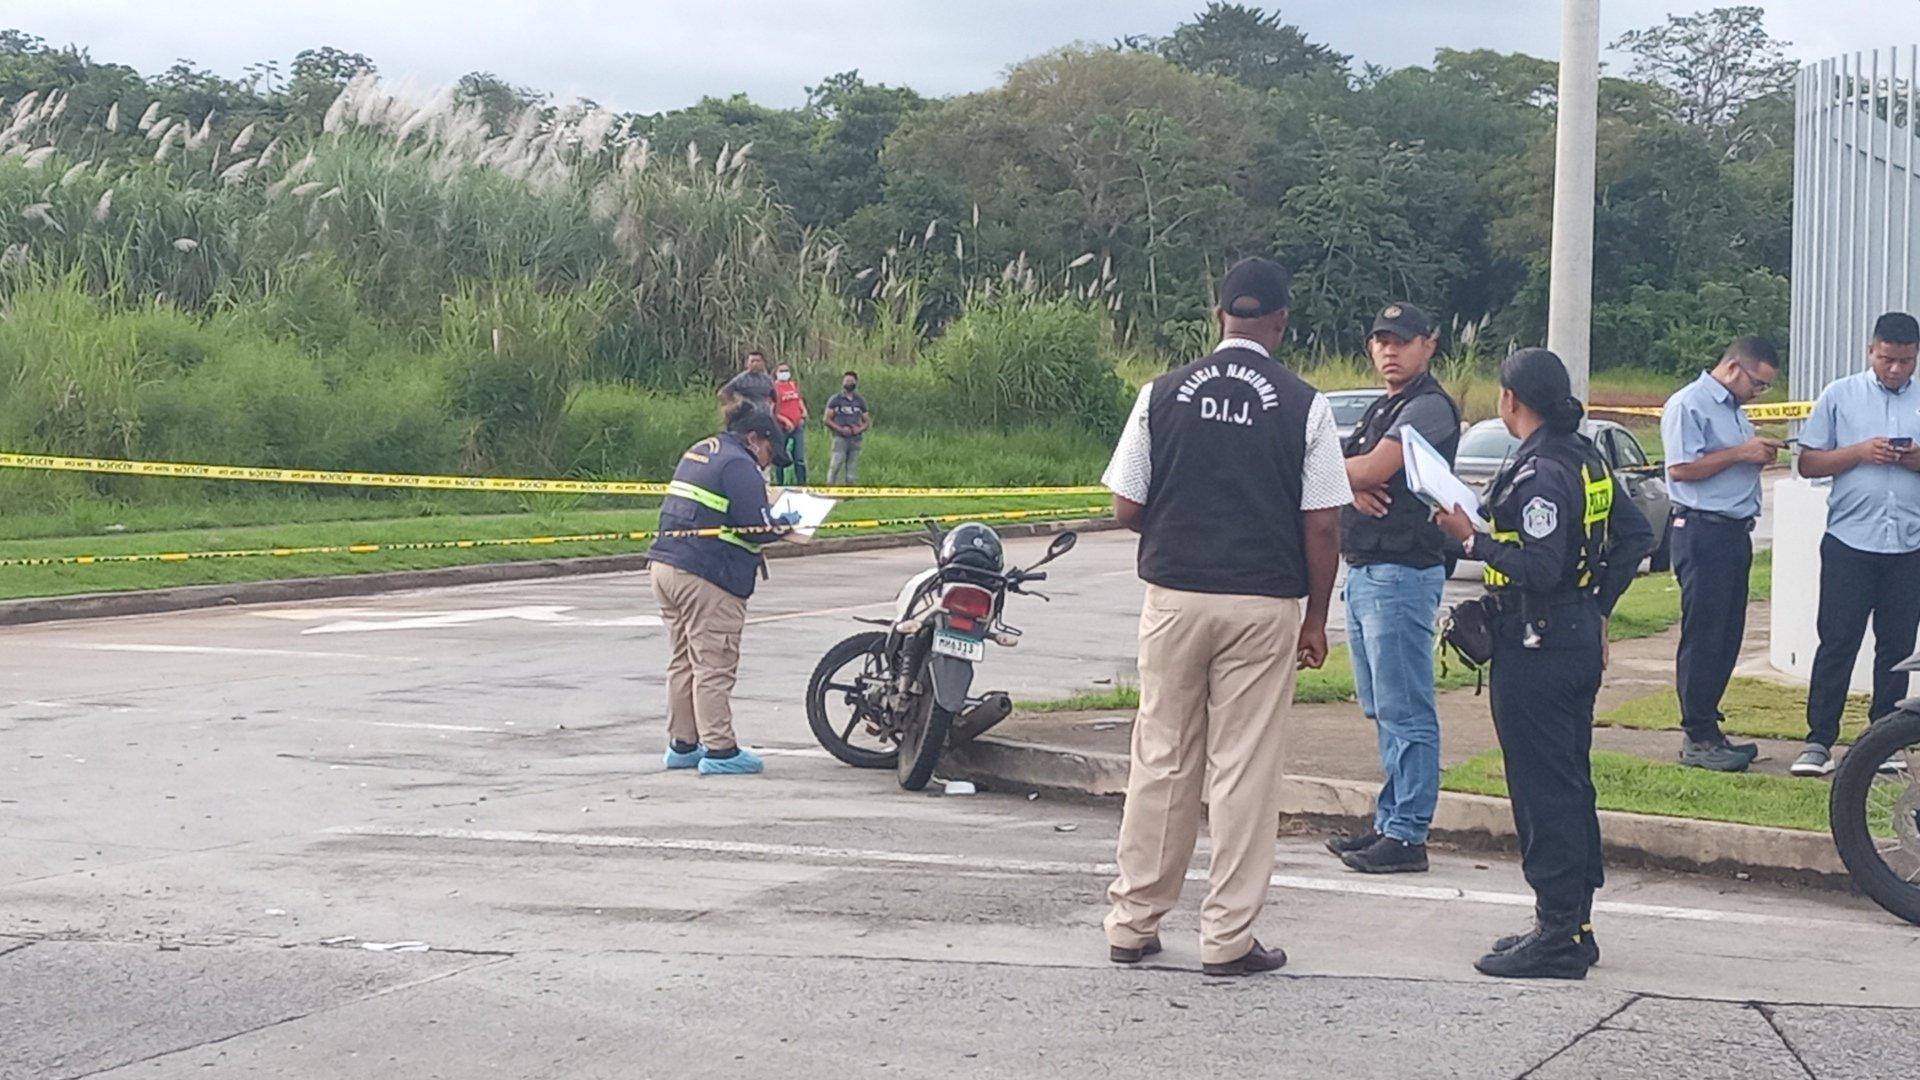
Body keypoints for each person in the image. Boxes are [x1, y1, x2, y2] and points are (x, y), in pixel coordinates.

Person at [1101, 257, 1350, 977]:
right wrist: (1315, 617)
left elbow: (1126, 504)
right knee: (1243, 768)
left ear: (1220, 318)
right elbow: (1323, 522)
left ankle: (1133, 921)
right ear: (1280, 322)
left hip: (1175, 596)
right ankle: (1228, 936)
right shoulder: (1306, 405)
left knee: (1162, 757)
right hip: (1261, 603)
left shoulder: (1160, 393)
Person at [1434, 348, 1653, 980]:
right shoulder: (1584, 456)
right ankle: (1571, 924)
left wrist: (1471, 539)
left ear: (1511, 400)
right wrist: (1599, 607)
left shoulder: (1542, 473)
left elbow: (1541, 566)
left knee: (1543, 791)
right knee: (1567, 783)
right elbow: (1635, 536)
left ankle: (1559, 933)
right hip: (1570, 636)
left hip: (1539, 645)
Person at [1327, 302, 1462, 874]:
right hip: (1367, 571)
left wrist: (1351, 477)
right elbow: (1347, 469)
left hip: (1402, 572)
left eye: (1402, 340)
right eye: (1381, 340)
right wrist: (1350, 481)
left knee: (1406, 710)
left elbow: (1366, 469)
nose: (1389, 350)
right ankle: (1390, 821)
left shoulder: (1428, 407)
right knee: (1383, 708)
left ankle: (1408, 835)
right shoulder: (1384, 407)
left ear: (1428, 345)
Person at [1790, 312, 1920, 777]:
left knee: (1898, 648)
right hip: (1850, 541)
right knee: (1838, 641)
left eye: (1906, 361)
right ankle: (1818, 740)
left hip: (1909, 545)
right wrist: (1860, 452)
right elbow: (1808, 463)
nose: (1895, 369)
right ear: (1871, 351)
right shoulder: (1839, 395)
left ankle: (1883, 740)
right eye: (1886, 359)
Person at [648, 403, 796, 777]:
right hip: (707, 575)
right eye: (769, 452)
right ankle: (720, 749)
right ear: (754, 439)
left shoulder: (702, 450)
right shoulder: (739, 465)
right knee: (714, 663)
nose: (767, 463)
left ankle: (683, 745)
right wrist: (785, 524)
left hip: (666, 566)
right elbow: (755, 528)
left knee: (683, 660)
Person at [1659, 337, 1785, 772]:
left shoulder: (1734, 410)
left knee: (1727, 634)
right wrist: (1740, 453)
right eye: (1757, 384)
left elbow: (1727, 462)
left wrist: (1753, 454)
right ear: (1733, 368)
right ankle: (1697, 735)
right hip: (1701, 530)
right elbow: (1680, 468)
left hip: (1733, 531)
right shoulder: (1688, 404)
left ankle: (1710, 728)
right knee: (1705, 634)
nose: (1758, 393)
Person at [825, 371, 871, 485]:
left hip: (855, 439)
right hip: (840, 438)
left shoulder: (860, 401)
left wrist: (859, 429)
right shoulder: (835, 399)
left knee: (851, 471)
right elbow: (827, 419)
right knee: (835, 466)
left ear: (856, 383)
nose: (848, 383)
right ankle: (829, 489)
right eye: (846, 381)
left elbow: (867, 421)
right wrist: (840, 429)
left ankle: (849, 492)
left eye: (851, 381)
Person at [771, 361, 809, 486]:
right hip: (781, 427)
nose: (784, 373)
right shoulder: (774, 389)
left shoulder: (793, 385)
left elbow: (798, 400)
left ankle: (802, 484)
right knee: (780, 456)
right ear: (776, 373)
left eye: (786, 371)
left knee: (799, 457)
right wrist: (785, 420)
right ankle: (780, 484)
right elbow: (772, 411)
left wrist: (803, 412)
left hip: (797, 425)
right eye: (781, 371)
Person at [721, 350, 776, 418]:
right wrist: (731, 404)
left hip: (765, 415)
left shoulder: (768, 379)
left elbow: (776, 397)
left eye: (758, 361)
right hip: (747, 416)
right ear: (747, 363)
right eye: (752, 361)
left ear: (763, 363)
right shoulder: (740, 379)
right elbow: (723, 393)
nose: (755, 364)